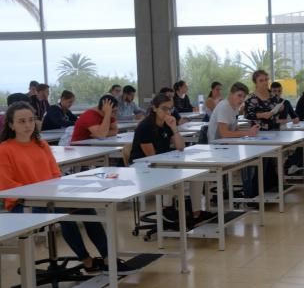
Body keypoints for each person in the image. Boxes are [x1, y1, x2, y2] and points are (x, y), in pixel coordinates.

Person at [0, 102, 133, 273]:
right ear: (11, 125)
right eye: (21, 121)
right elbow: (7, 185)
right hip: (23, 203)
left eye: (31, 120)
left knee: (86, 209)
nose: (28, 125)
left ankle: (109, 258)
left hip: (50, 198)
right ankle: (86, 260)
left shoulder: (41, 145)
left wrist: (59, 193)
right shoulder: (4, 150)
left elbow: (55, 175)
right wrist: (39, 195)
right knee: (64, 213)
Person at [130, 94, 208, 225]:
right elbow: (151, 157)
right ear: (154, 108)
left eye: (170, 109)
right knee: (169, 172)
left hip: (162, 162)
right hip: (142, 166)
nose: (167, 112)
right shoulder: (145, 126)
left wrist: (174, 127)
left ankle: (196, 212)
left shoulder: (166, 124)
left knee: (196, 172)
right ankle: (167, 209)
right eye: (164, 109)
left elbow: (181, 147)